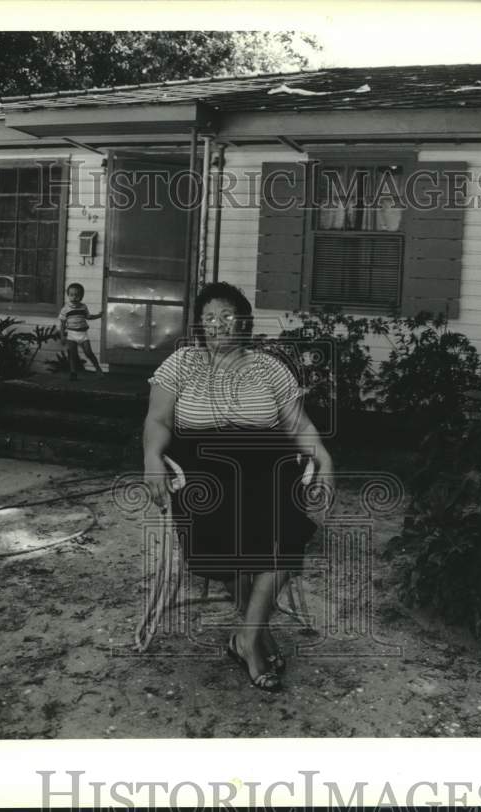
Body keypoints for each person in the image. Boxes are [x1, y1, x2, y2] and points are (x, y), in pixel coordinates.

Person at [142, 282, 333, 692]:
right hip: (203, 468)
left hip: (265, 464)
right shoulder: (182, 364)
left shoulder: (268, 367)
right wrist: (151, 459)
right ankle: (256, 635)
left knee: (285, 536)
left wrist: (325, 458)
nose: (217, 325)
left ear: (244, 322)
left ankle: (246, 637)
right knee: (226, 537)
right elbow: (157, 420)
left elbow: (297, 424)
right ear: (198, 325)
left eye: (227, 316)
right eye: (209, 317)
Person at [58, 283, 103, 379]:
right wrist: (62, 336)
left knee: (88, 352)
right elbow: (62, 324)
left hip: (83, 334)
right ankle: (73, 372)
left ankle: (98, 368)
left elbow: (88, 317)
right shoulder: (65, 309)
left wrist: (98, 316)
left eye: (77, 295)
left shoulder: (83, 307)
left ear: (81, 296)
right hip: (71, 334)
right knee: (73, 354)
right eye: (71, 295)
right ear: (68, 295)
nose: (74, 297)